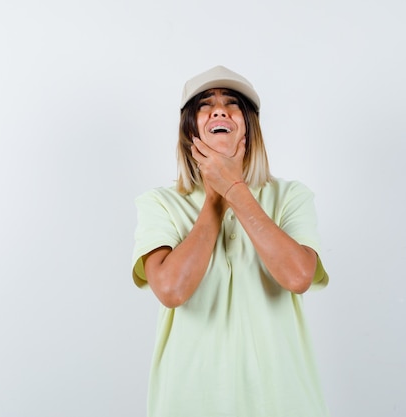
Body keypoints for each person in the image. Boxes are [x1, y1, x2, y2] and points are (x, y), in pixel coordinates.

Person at [131, 65, 330, 417]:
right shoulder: (160, 203)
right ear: (189, 131)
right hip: (189, 402)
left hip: (284, 402)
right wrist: (214, 199)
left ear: (250, 128)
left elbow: (299, 277)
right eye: (205, 104)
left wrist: (236, 190)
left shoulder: (291, 196)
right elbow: (172, 290)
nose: (219, 109)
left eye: (232, 103)